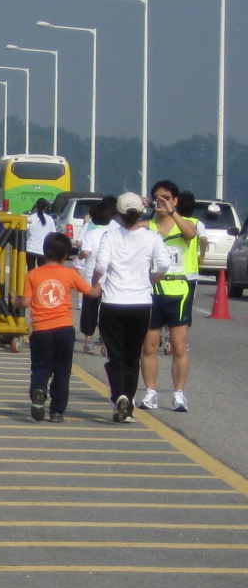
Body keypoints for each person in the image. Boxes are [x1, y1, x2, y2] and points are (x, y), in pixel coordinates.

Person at [92, 192, 173, 424]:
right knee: (132, 357)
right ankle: (128, 402)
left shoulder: (111, 235)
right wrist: (155, 277)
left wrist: (95, 283)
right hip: (140, 303)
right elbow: (165, 263)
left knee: (115, 355)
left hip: (113, 303)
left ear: (117, 214)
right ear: (141, 213)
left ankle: (118, 396)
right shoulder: (152, 237)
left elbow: (101, 264)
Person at [16, 232, 98, 423]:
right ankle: (57, 411)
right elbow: (90, 292)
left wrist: (15, 300)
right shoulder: (70, 273)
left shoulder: (34, 274)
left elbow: (26, 302)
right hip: (64, 329)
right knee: (62, 371)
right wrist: (99, 285)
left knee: (40, 367)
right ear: (65, 256)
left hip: (41, 329)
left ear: (44, 252)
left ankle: (38, 391)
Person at [140, 180, 202, 412]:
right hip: (153, 291)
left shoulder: (186, 225)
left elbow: (190, 233)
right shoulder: (147, 226)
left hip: (179, 291)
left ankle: (178, 394)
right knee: (150, 346)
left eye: (165, 197)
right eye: (157, 197)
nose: (160, 201)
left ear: (175, 200)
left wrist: (172, 212)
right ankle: (151, 393)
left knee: (178, 346)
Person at [75, 196, 115, 354]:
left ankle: (88, 339)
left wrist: (79, 257)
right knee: (107, 311)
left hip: (92, 277)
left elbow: (85, 252)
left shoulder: (90, 234)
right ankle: (106, 341)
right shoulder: (113, 233)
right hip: (109, 278)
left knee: (89, 310)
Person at [24, 198, 54, 269]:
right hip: (43, 249)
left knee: (30, 269)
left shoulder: (30, 218)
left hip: (30, 248)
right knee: (42, 271)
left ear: (36, 206)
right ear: (46, 207)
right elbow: (52, 234)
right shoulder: (49, 219)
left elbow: (25, 231)